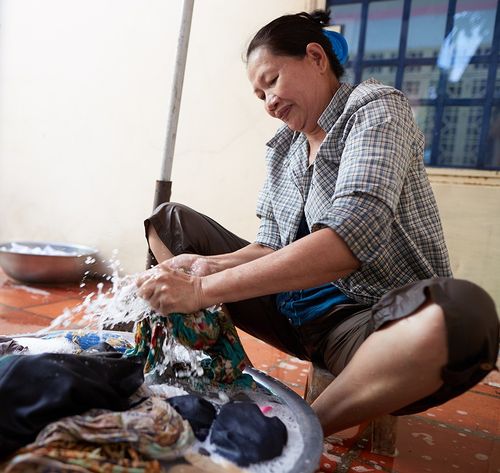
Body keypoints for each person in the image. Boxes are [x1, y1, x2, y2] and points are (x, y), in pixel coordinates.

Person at [136, 11, 499, 436]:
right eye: (259, 95)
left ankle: (300, 429)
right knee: (169, 222)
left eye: (271, 81)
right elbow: (269, 246)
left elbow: (349, 238)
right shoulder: (284, 149)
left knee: (466, 316)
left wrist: (200, 289)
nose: (268, 102)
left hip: (361, 320)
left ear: (315, 57)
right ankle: (210, 360)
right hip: (290, 309)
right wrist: (208, 266)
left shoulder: (376, 109)